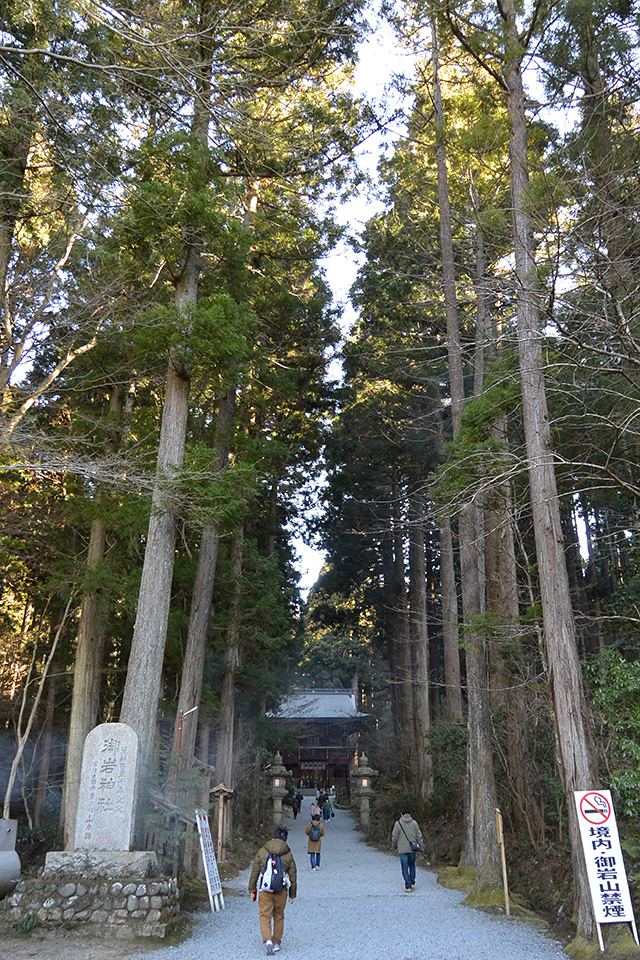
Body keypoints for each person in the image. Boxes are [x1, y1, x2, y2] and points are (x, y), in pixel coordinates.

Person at [249, 825, 297, 955]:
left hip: (265, 890)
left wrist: (252, 888)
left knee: (265, 915)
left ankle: (268, 940)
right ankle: (276, 942)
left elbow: (255, 871)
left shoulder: (262, 851)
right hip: (281, 890)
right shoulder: (288, 854)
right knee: (279, 915)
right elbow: (293, 875)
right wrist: (293, 893)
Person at [391, 806, 423, 892]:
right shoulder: (414, 823)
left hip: (402, 849)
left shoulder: (398, 824)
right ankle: (412, 882)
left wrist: (393, 845)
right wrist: (421, 846)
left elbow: (394, 836)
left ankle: (407, 886)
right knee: (412, 865)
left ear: (401, 814)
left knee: (404, 867)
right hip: (412, 848)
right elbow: (419, 835)